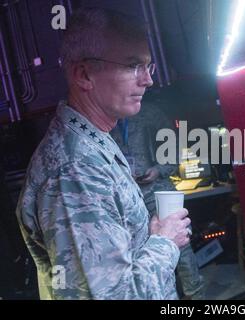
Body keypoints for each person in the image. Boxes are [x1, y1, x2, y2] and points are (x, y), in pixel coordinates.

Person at [15, 7, 191, 300]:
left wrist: (150, 236)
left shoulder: (93, 140)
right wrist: (166, 242)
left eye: (149, 66)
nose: (147, 80)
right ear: (84, 74)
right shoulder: (75, 170)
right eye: (133, 65)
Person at [110, 101, 205, 300]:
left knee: (182, 246)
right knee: (139, 250)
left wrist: (158, 170)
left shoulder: (149, 112)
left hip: (157, 189)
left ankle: (195, 296)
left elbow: (174, 146)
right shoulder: (105, 119)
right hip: (125, 194)